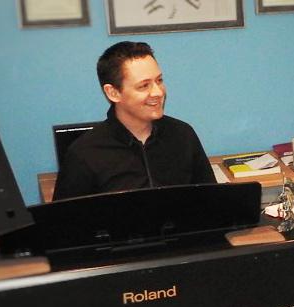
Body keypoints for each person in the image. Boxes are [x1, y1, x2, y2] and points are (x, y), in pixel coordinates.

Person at [53, 41, 215, 200]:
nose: (158, 92)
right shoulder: (84, 154)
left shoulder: (182, 134)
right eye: (144, 86)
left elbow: (211, 200)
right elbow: (65, 223)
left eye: (159, 81)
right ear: (113, 93)